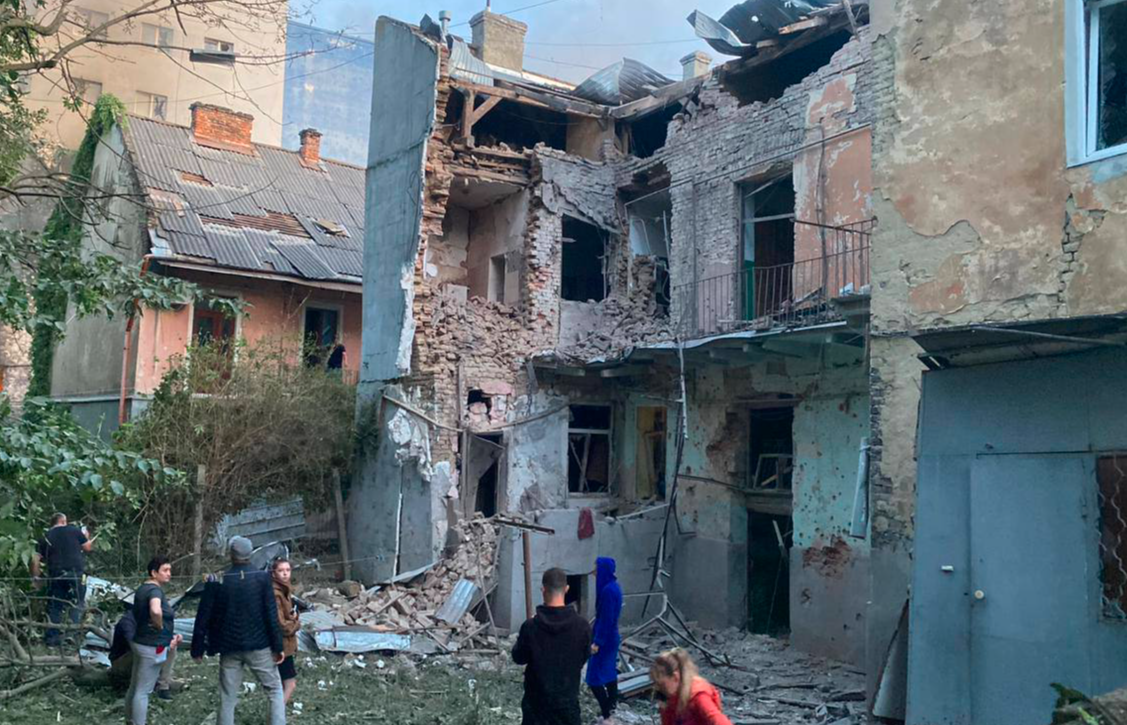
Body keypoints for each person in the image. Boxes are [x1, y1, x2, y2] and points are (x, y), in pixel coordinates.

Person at [192, 536, 286, 725]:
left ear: (231, 554)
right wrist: (278, 646)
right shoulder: (262, 578)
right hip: (259, 646)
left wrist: (197, 648)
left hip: (229, 647)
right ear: (250, 553)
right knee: (274, 689)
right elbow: (271, 614)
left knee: (227, 695)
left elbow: (203, 616)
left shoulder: (218, 580)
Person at [512, 567, 592, 725]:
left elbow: (518, 657)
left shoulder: (530, 627)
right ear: (566, 589)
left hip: (536, 708)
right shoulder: (582, 627)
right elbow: (583, 658)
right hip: (567, 706)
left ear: (543, 590)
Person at [125, 557, 181, 725]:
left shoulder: (142, 589)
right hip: (152, 646)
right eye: (165, 570)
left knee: (135, 686)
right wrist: (161, 627)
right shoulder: (155, 591)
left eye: (170, 570)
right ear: (154, 573)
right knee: (143, 691)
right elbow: (155, 611)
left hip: (140, 641)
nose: (169, 574)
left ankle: (130, 720)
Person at [30, 513, 93, 646]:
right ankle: (73, 636)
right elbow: (87, 547)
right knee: (77, 603)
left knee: (55, 606)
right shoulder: (74, 530)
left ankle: (52, 639)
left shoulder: (45, 536)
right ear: (64, 521)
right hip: (76, 573)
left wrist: (36, 578)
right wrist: (86, 536)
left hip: (56, 575)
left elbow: (35, 559)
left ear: (52, 523)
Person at [108, 604, 177, 699]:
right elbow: (134, 645)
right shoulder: (127, 622)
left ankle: (163, 686)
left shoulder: (154, 618)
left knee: (170, 645)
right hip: (122, 662)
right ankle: (126, 685)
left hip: (144, 657)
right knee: (142, 650)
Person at [650, 649, 733, 725]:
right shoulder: (669, 700)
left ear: (675, 677)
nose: (657, 688)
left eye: (661, 684)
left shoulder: (698, 696)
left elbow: (720, 721)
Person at [586, 557, 623, 723]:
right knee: (609, 673)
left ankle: (607, 714)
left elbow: (606, 619)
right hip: (611, 637)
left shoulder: (608, 591)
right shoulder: (613, 587)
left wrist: (597, 642)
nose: (594, 572)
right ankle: (612, 709)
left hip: (605, 639)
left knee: (593, 678)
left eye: (596, 569)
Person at [271, 558, 300, 705]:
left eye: (288, 570)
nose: (285, 574)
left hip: (286, 645)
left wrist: (293, 617)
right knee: (290, 684)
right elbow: (281, 624)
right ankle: (276, 714)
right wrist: (296, 623)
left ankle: (276, 712)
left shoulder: (285, 589)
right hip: (282, 645)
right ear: (274, 573)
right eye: (281, 570)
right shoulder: (276, 593)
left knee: (283, 683)